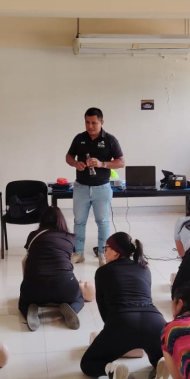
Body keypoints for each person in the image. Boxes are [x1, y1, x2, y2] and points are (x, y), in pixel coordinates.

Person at [80, 231, 169, 379]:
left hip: (123, 321)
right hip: (156, 321)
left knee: (88, 364)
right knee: (158, 355)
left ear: (116, 251)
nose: (104, 252)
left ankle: (112, 370)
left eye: (106, 248)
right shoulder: (144, 269)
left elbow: (104, 309)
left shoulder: (103, 271)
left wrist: (114, 337)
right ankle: (159, 365)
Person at [65, 107, 125, 266]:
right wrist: (75, 164)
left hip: (102, 188)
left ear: (101, 122)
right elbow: (69, 157)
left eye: (94, 123)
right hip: (81, 187)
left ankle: (102, 254)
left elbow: (121, 162)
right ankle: (78, 253)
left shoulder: (110, 140)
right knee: (79, 222)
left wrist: (102, 163)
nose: (90, 126)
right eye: (87, 122)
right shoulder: (79, 138)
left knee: (102, 221)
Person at [19, 207, 91, 332]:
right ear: (61, 221)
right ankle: (71, 308)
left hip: (35, 288)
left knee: (23, 300)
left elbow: (28, 260)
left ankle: (30, 309)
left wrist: (28, 283)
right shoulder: (69, 238)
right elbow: (68, 261)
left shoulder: (33, 235)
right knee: (79, 297)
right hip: (65, 287)